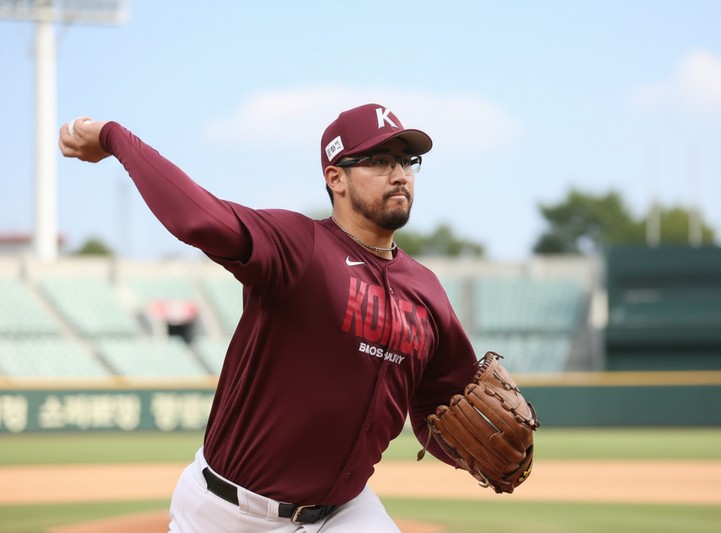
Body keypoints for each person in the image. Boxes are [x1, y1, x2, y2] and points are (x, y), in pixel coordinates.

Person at [59, 103, 479, 532]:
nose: (399, 174)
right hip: (228, 514)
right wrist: (114, 137)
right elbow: (197, 218)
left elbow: (442, 408)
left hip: (344, 513)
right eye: (378, 161)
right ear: (335, 177)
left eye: (407, 161)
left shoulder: (427, 291)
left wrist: (478, 453)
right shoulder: (299, 247)